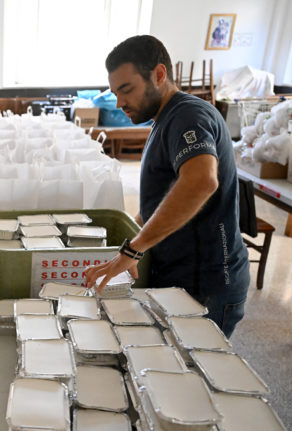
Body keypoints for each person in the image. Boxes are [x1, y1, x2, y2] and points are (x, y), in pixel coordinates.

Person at [84, 35, 250, 337]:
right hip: (179, 276)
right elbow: (164, 199)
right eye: (115, 93)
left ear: (159, 75)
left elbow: (201, 181)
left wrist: (133, 250)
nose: (119, 103)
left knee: (193, 375)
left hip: (206, 285)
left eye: (126, 90)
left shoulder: (189, 116)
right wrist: (127, 239)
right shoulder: (165, 119)